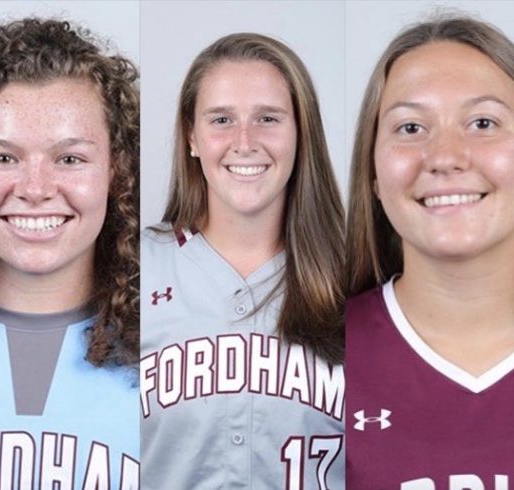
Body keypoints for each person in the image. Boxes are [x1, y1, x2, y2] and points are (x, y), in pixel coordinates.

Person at [0, 18, 140, 489]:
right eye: (2, 157)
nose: (35, 190)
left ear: (118, 170)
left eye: (70, 158)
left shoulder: (171, 352)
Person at [344, 16, 514, 488]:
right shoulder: (318, 356)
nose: (444, 156)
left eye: (483, 122)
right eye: (411, 127)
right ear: (374, 175)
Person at [139, 33, 346, 489]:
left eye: (268, 118)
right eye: (221, 119)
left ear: (301, 133)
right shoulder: (133, 269)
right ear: (191, 137)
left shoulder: (358, 277)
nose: (244, 141)